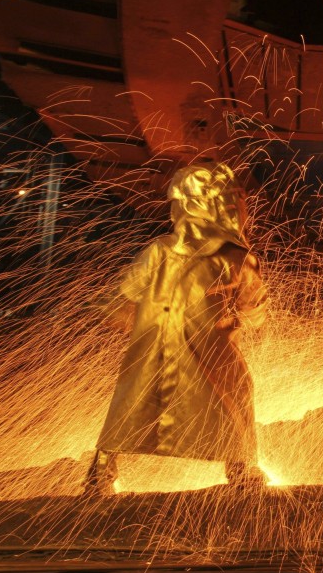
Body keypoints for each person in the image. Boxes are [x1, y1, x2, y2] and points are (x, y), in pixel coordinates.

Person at [85, 162, 268, 495]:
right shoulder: (236, 257)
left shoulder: (159, 251)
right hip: (211, 349)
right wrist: (253, 320)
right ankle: (241, 470)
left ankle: (100, 475)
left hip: (154, 345)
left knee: (129, 402)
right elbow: (254, 309)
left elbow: (121, 301)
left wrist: (130, 323)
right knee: (235, 395)